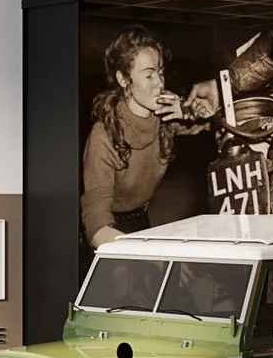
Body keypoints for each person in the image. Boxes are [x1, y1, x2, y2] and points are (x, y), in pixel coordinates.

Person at [82, 28, 219, 252]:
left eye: (160, 73)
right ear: (124, 79)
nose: (159, 83)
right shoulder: (103, 136)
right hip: (110, 233)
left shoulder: (163, 118)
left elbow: (223, 127)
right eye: (148, 75)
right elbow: (96, 226)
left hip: (141, 222)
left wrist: (190, 112)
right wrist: (149, 253)